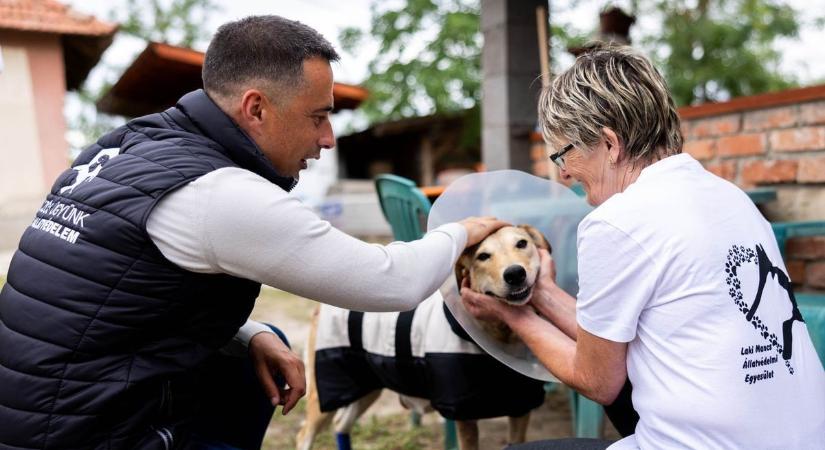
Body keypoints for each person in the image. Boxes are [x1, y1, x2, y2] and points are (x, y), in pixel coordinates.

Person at [0, 15, 505, 450]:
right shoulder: (217, 191)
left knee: (263, 345)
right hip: (82, 434)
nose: (328, 139)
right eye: (318, 117)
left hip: (34, 412)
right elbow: (390, 282)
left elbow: (117, 297)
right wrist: (462, 231)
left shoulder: (125, 145)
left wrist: (248, 333)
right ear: (256, 108)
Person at [461, 43, 825, 449]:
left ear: (610, 144)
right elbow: (606, 339)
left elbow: (597, 379)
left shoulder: (616, 223)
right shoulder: (730, 197)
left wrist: (511, 316)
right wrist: (541, 292)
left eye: (563, 154)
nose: (563, 174)